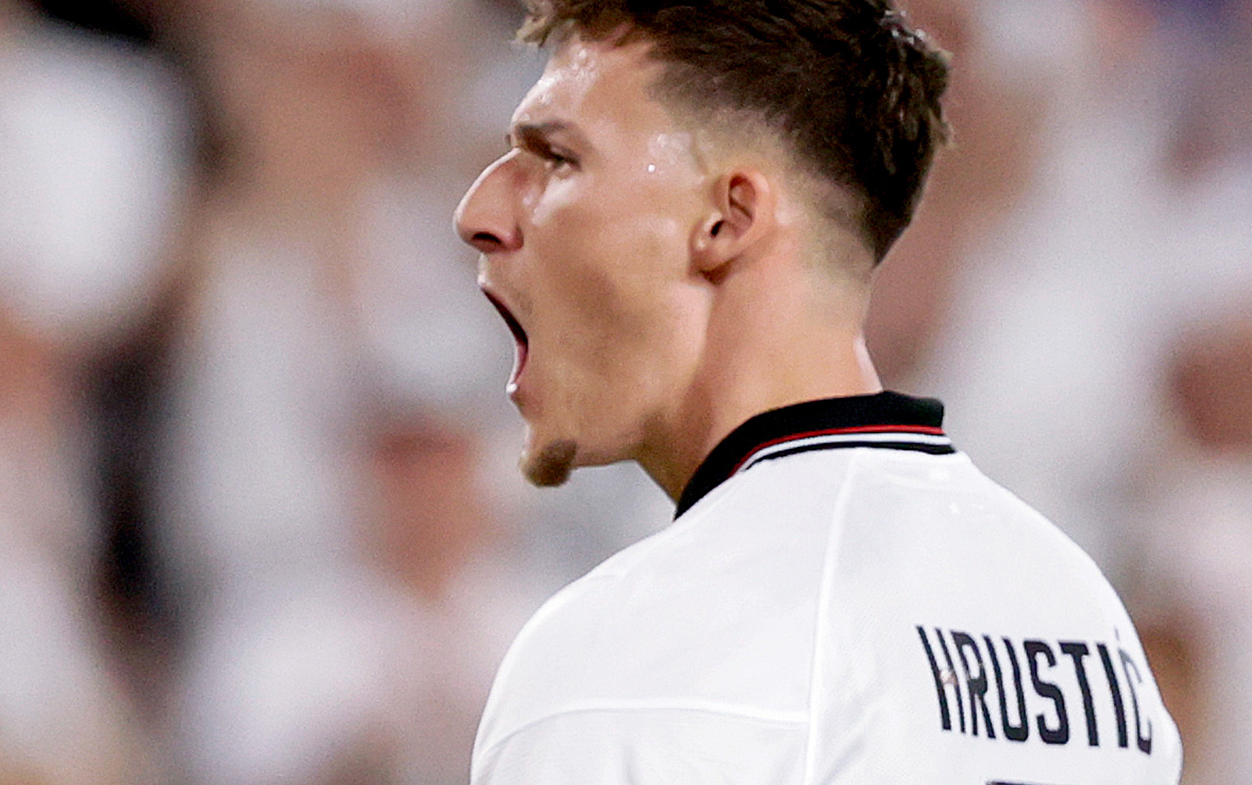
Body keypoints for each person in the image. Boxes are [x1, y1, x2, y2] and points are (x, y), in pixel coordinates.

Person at [451, 0, 1183, 782]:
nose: (478, 212)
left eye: (558, 158)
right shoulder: (1083, 620)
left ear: (726, 221)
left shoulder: (634, 651)